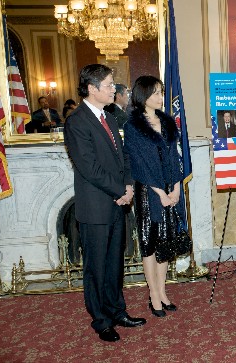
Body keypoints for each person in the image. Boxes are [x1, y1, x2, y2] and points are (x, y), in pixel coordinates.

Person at [64, 64, 146, 342]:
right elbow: (88, 167)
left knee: (114, 263)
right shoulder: (77, 121)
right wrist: (118, 191)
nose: (115, 89)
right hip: (96, 206)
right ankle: (101, 321)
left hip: (117, 202)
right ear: (91, 88)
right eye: (109, 85)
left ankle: (117, 310)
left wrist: (128, 185)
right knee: (96, 267)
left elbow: (123, 156)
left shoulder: (109, 117)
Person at [123, 75, 185, 318]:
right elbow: (138, 163)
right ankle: (153, 295)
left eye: (161, 92)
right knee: (150, 242)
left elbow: (175, 157)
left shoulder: (168, 122)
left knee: (166, 241)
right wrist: (160, 192)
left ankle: (162, 291)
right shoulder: (133, 126)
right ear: (142, 96)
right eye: (156, 93)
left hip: (170, 188)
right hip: (148, 191)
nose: (161, 97)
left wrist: (177, 187)